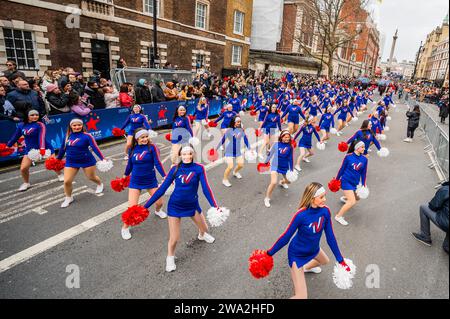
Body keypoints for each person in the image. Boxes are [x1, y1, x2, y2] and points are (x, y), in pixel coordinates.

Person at [143, 145, 221, 272]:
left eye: (189, 154)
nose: (186, 157)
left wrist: (215, 206)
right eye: (183, 154)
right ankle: (170, 257)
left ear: (193, 154)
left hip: (192, 204)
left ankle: (201, 235)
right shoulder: (175, 169)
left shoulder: (199, 168)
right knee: (174, 238)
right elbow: (161, 189)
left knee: (205, 229)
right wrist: (145, 207)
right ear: (180, 155)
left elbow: (206, 189)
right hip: (175, 206)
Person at [265, 182, 350, 299]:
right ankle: (299, 268)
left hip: (314, 250)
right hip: (297, 255)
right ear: (312, 198)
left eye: (325, 196)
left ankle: (305, 268)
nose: (324, 199)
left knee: (325, 261)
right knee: (301, 297)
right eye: (321, 197)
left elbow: (330, 238)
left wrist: (341, 260)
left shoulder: (325, 211)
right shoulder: (301, 215)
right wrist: (269, 253)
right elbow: (286, 237)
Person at [121, 128, 167, 240]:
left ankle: (157, 211)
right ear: (137, 139)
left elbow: (157, 163)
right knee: (131, 208)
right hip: (135, 181)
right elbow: (130, 165)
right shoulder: (132, 149)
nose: (145, 139)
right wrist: (125, 175)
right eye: (142, 137)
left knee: (160, 202)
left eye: (146, 136)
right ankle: (125, 228)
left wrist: (165, 176)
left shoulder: (152, 148)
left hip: (150, 181)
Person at [6, 109, 63, 191]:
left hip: (45, 147)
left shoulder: (40, 124)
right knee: (23, 168)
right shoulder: (21, 125)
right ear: (27, 116)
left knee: (53, 163)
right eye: (32, 115)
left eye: (36, 115)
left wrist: (42, 148)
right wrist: (8, 145)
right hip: (30, 149)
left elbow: (41, 137)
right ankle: (26, 183)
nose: (35, 116)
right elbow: (15, 136)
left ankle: (60, 175)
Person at [57, 118, 106, 208]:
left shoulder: (87, 136)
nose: (77, 127)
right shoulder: (67, 136)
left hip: (86, 160)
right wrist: (58, 160)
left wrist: (102, 158)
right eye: (74, 125)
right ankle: (68, 197)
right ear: (71, 126)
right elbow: (62, 149)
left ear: (82, 126)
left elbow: (95, 147)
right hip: (71, 161)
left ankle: (100, 184)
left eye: (79, 125)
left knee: (91, 177)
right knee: (67, 181)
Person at [334, 140, 368, 226]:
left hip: (355, 183)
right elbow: (342, 169)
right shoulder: (348, 157)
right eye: (362, 147)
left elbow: (364, 173)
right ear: (357, 148)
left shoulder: (364, 159)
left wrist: (363, 185)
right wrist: (336, 180)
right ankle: (338, 216)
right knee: (352, 202)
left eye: (364, 147)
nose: (364, 148)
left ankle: (345, 198)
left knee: (358, 198)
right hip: (346, 181)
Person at [412, 182, 449, 254]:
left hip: (446, 223)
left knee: (423, 207)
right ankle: (447, 246)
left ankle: (425, 236)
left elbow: (433, 206)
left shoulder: (445, 190)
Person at [263, 130, 294, 208]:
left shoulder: (290, 147)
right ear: (282, 137)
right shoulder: (276, 144)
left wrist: (291, 169)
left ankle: (282, 182)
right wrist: (266, 162)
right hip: (275, 166)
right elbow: (270, 154)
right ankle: (267, 198)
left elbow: (290, 158)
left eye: (288, 137)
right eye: (285, 137)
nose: (287, 139)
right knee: (273, 182)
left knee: (289, 181)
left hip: (284, 167)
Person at [217, 116, 251, 187]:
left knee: (241, 165)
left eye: (240, 122)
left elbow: (245, 140)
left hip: (237, 151)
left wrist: (250, 148)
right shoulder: (229, 130)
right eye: (238, 122)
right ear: (234, 122)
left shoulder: (241, 130)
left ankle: (235, 172)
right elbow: (223, 140)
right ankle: (225, 180)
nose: (239, 123)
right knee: (230, 166)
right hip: (229, 151)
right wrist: (216, 149)